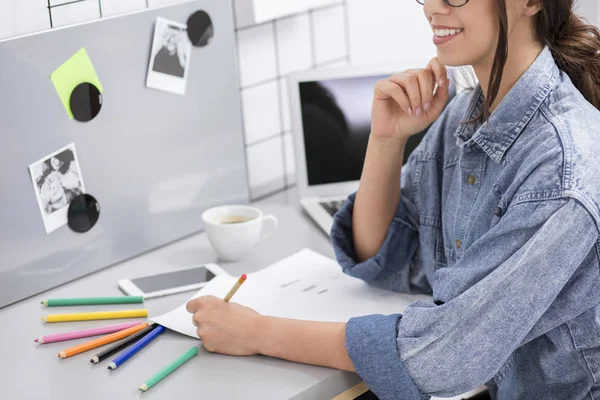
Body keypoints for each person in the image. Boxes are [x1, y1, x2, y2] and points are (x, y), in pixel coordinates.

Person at [185, 1, 600, 398]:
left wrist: (258, 333)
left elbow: (443, 356)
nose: (432, 8)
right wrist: (386, 139)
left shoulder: (564, 168)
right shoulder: (465, 115)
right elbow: (386, 256)